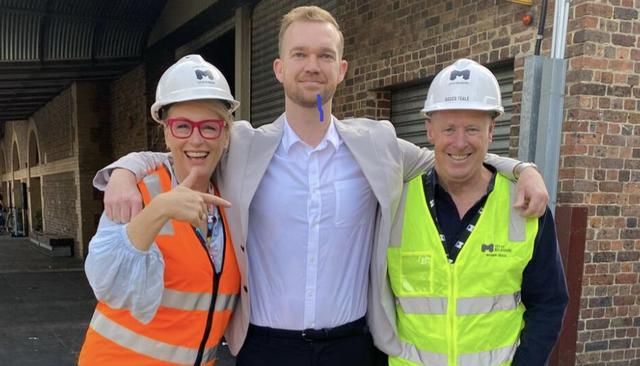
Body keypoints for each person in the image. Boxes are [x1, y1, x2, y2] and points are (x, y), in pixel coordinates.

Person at [93, 6, 549, 366]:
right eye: (300, 54)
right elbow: (188, 145)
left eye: (325, 55)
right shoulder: (245, 146)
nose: (312, 66)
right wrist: (125, 171)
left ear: (342, 68)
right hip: (265, 348)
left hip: (352, 346)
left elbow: (455, 155)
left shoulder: (378, 143)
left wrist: (522, 168)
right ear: (278, 67)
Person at [387, 59, 568, 366]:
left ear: (491, 130)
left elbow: (549, 304)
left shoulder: (525, 204)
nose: (460, 142)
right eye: (449, 128)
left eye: (472, 128)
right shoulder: (394, 202)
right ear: (429, 130)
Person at [78, 55, 240, 365]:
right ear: (165, 131)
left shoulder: (231, 196)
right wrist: (159, 209)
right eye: (182, 126)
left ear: (226, 133)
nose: (196, 139)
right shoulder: (137, 192)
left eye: (209, 127)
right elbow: (106, 282)